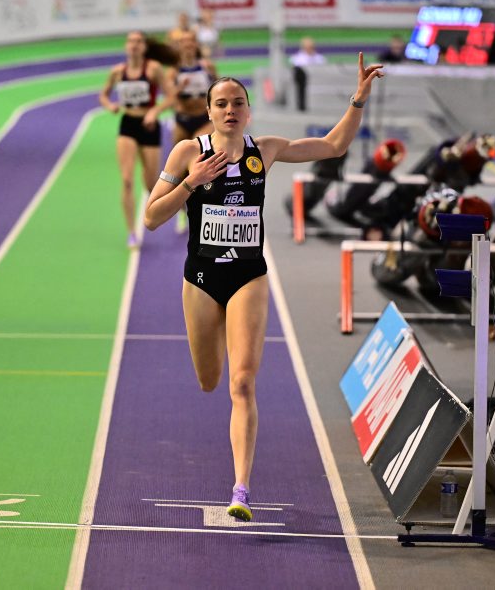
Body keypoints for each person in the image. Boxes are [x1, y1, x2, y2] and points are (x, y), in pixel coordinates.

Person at [143, 54, 384, 521]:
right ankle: (216, 343)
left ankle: (241, 489)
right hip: (201, 279)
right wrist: (191, 183)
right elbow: (152, 218)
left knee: (242, 382)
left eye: (238, 102)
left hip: (247, 276)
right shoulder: (188, 153)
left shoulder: (265, 150)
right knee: (209, 380)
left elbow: (333, 146)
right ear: (208, 111)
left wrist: (358, 99)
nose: (230, 110)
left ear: (249, 111)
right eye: (221, 103)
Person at [99, 31, 176, 248]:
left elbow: (171, 96)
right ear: (126, 46)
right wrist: (110, 105)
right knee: (126, 180)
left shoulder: (153, 69)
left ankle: (181, 208)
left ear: (144, 47)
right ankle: (132, 232)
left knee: (152, 184)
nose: (134, 45)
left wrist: (155, 111)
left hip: (149, 126)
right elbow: (103, 94)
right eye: (131, 41)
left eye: (138, 41)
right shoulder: (117, 72)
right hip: (128, 125)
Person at [167, 29, 217, 232]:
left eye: (191, 41)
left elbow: (218, 90)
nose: (188, 45)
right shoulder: (174, 71)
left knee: (199, 159)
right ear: (179, 46)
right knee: (179, 168)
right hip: (182, 121)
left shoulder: (207, 67)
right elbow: (169, 98)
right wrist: (179, 90)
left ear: (196, 44)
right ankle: (181, 211)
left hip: (203, 119)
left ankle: (202, 207)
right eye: (184, 42)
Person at [290, 37, 326, 111]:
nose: (309, 49)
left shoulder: (320, 59)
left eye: (311, 47)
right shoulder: (296, 59)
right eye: (307, 47)